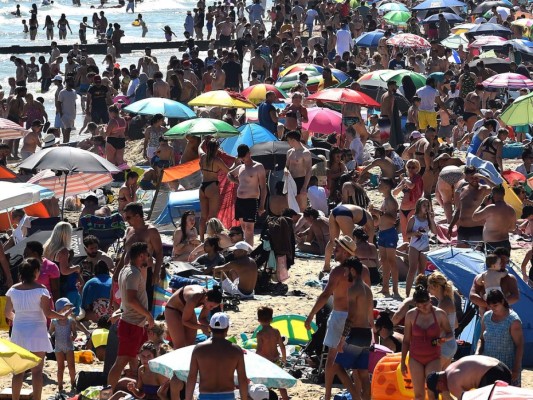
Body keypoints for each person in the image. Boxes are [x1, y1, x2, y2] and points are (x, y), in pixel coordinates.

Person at [5, 258, 72, 400]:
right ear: (36, 272)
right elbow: (48, 313)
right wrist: (62, 316)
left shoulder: (12, 290)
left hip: (19, 332)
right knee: (37, 371)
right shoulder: (41, 289)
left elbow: (7, 313)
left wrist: (18, 319)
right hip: (37, 331)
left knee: (18, 372)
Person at [108, 242, 155, 390]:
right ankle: (108, 392)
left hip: (134, 323)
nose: (148, 257)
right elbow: (131, 299)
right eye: (147, 255)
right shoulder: (133, 273)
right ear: (141, 255)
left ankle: (135, 390)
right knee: (121, 362)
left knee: (135, 360)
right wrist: (148, 316)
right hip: (131, 324)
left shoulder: (127, 270)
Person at [401, 285, 454, 400]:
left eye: (424, 305)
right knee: (419, 395)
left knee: (432, 393)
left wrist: (442, 340)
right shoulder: (411, 315)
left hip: (433, 357)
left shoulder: (440, 314)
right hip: (415, 358)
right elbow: (406, 341)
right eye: (419, 306)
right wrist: (402, 362)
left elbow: (450, 333)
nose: (422, 308)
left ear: (430, 300)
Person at [335, 257, 375, 400]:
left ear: (352, 270)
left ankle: (355, 396)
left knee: (337, 366)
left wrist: (342, 339)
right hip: (366, 334)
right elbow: (370, 317)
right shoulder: (368, 290)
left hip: (356, 333)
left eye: (346, 271)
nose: (345, 275)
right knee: (363, 373)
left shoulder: (353, 289)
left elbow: (351, 317)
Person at [186, 312, 248, 400]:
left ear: (210, 328)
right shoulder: (236, 350)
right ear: (227, 328)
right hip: (228, 396)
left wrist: (188, 398)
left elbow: (192, 377)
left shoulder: (199, 349)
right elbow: (242, 379)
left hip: (205, 396)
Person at [478, 289, 523, 387]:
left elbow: (520, 346)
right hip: (488, 366)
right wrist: (478, 353)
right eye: (490, 306)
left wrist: (516, 369)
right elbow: (482, 338)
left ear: (502, 302)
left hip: (507, 367)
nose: (492, 308)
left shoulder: (513, 320)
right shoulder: (486, 317)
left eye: (495, 305)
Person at [227, 144, 267, 246]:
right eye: (241, 157)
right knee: (244, 228)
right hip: (240, 200)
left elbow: (263, 187)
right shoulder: (240, 167)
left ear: (249, 154)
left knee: (249, 229)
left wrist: (262, 205)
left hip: (251, 200)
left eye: (244, 156)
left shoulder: (258, 167)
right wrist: (237, 181)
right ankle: (246, 248)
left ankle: (249, 251)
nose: (243, 159)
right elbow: (229, 174)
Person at [119, 202, 163, 290]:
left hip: (144, 272)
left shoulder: (151, 231)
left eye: (128, 217)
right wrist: (117, 272)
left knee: (143, 302)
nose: (126, 220)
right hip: (128, 272)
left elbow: (159, 253)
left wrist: (156, 273)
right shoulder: (129, 230)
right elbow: (125, 253)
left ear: (137, 216)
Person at [426, 355, 512, 400]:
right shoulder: (450, 368)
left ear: (440, 383)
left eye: (439, 390)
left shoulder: (451, 382)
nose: (442, 392)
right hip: (502, 367)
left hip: (491, 374)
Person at [164, 285, 222, 349]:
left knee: (190, 343)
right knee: (179, 346)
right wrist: (202, 327)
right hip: (173, 309)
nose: (211, 309)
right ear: (206, 299)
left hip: (186, 309)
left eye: (214, 307)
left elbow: (202, 318)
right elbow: (185, 321)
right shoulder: (194, 298)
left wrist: (211, 327)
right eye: (211, 306)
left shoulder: (210, 297)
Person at [448, 166, 495, 244]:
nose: (475, 180)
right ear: (466, 177)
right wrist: (450, 226)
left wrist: (484, 178)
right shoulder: (463, 189)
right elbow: (459, 210)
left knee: (477, 254)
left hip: (476, 229)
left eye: (476, 177)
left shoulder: (483, 189)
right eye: (472, 178)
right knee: (462, 254)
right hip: (462, 229)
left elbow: (498, 189)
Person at [324, 204, 374, 272]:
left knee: (332, 240)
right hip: (346, 214)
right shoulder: (370, 220)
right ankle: (348, 265)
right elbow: (370, 243)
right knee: (349, 244)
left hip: (335, 211)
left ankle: (326, 266)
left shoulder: (362, 212)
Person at [371, 177, 399, 297]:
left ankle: (396, 290)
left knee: (392, 262)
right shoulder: (385, 200)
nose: (379, 186)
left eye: (381, 184)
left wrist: (378, 212)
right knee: (384, 261)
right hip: (382, 232)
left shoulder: (392, 201)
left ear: (387, 187)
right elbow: (381, 219)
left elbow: (393, 220)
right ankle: (385, 287)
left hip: (389, 233)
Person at [199, 138, 230, 240]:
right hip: (212, 187)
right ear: (216, 148)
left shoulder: (203, 156)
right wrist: (237, 163)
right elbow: (229, 172)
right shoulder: (217, 160)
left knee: (203, 217)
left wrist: (204, 140)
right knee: (212, 216)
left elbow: (199, 147)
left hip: (202, 186)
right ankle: (211, 239)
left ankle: (202, 239)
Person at [405, 198, 437, 297]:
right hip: (414, 245)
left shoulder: (428, 219)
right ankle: (407, 293)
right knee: (412, 269)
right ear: (419, 206)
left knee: (422, 270)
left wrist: (431, 219)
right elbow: (407, 234)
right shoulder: (413, 219)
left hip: (424, 245)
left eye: (428, 205)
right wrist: (415, 233)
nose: (426, 208)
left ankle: (420, 293)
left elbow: (435, 232)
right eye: (424, 205)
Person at [256, 306, 289, 400]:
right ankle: (285, 398)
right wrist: (284, 358)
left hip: (265, 362)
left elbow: (259, 350)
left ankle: (266, 397)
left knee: (265, 383)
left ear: (258, 320)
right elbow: (282, 346)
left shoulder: (260, 334)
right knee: (280, 383)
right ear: (271, 319)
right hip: (276, 361)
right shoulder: (276, 331)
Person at [472, 184, 516, 252]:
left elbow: (474, 217)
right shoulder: (511, 209)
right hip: (505, 243)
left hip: (492, 245)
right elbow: (513, 228)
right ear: (504, 194)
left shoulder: (491, 208)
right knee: (504, 262)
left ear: (492, 195)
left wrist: (483, 204)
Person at [427, 272, 457, 369]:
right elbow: (456, 324)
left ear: (435, 286)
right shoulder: (448, 301)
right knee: (442, 379)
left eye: (429, 287)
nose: (428, 289)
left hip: (444, 345)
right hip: (451, 344)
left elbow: (438, 328)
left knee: (433, 377)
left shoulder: (443, 304)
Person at [49, 297, 77, 392]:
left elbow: (74, 333)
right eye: (64, 310)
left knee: (71, 366)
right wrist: (51, 338)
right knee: (60, 367)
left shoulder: (71, 321)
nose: (67, 313)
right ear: (58, 311)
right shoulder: (54, 322)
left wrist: (74, 336)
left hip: (69, 346)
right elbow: (50, 333)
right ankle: (60, 386)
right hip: (58, 347)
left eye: (68, 310)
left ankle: (73, 382)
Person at [393, 159, 424, 241]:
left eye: (413, 167)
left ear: (417, 168)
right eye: (409, 167)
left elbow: (411, 186)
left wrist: (405, 180)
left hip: (413, 208)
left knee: (413, 231)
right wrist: (401, 186)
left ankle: (412, 250)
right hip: (403, 208)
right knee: (404, 232)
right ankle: (406, 249)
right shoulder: (406, 179)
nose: (410, 169)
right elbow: (394, 192)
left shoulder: (417, 178)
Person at [285, 130, 312, 211]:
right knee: (290, 206)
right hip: (290, 180)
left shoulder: (305, 153)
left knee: (302, 207)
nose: (288, 142)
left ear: (293, 140)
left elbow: (309, 170)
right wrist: (285, 170)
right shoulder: (289, 152)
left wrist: (304, 186)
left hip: (301, 180)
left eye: (288, 140)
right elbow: (286, 166)